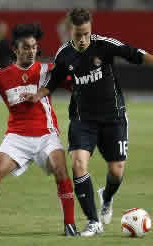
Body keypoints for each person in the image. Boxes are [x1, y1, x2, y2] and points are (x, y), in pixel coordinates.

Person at [21, 8, 153, 237]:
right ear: (69, 30)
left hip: (114, 117)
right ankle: (93, 222)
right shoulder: (64, 54)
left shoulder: (104, 45)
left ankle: (107, 198)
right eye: (77, 35)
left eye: (85, 34)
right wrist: (38, 95)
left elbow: (137, 54)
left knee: (117, 170)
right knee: (78, 165)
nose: (82, 40)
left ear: (90, 29)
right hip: (83, 120)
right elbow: (54, 81)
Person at [0, 24, 79, 236]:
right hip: (17, 136)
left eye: (34, 47)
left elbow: (76, 83)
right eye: (26, 47)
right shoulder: (1, 76)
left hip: (46, 134)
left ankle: (69, 224)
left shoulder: (47, 71)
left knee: (61, 169)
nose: (31, 51)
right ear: (15, 50)